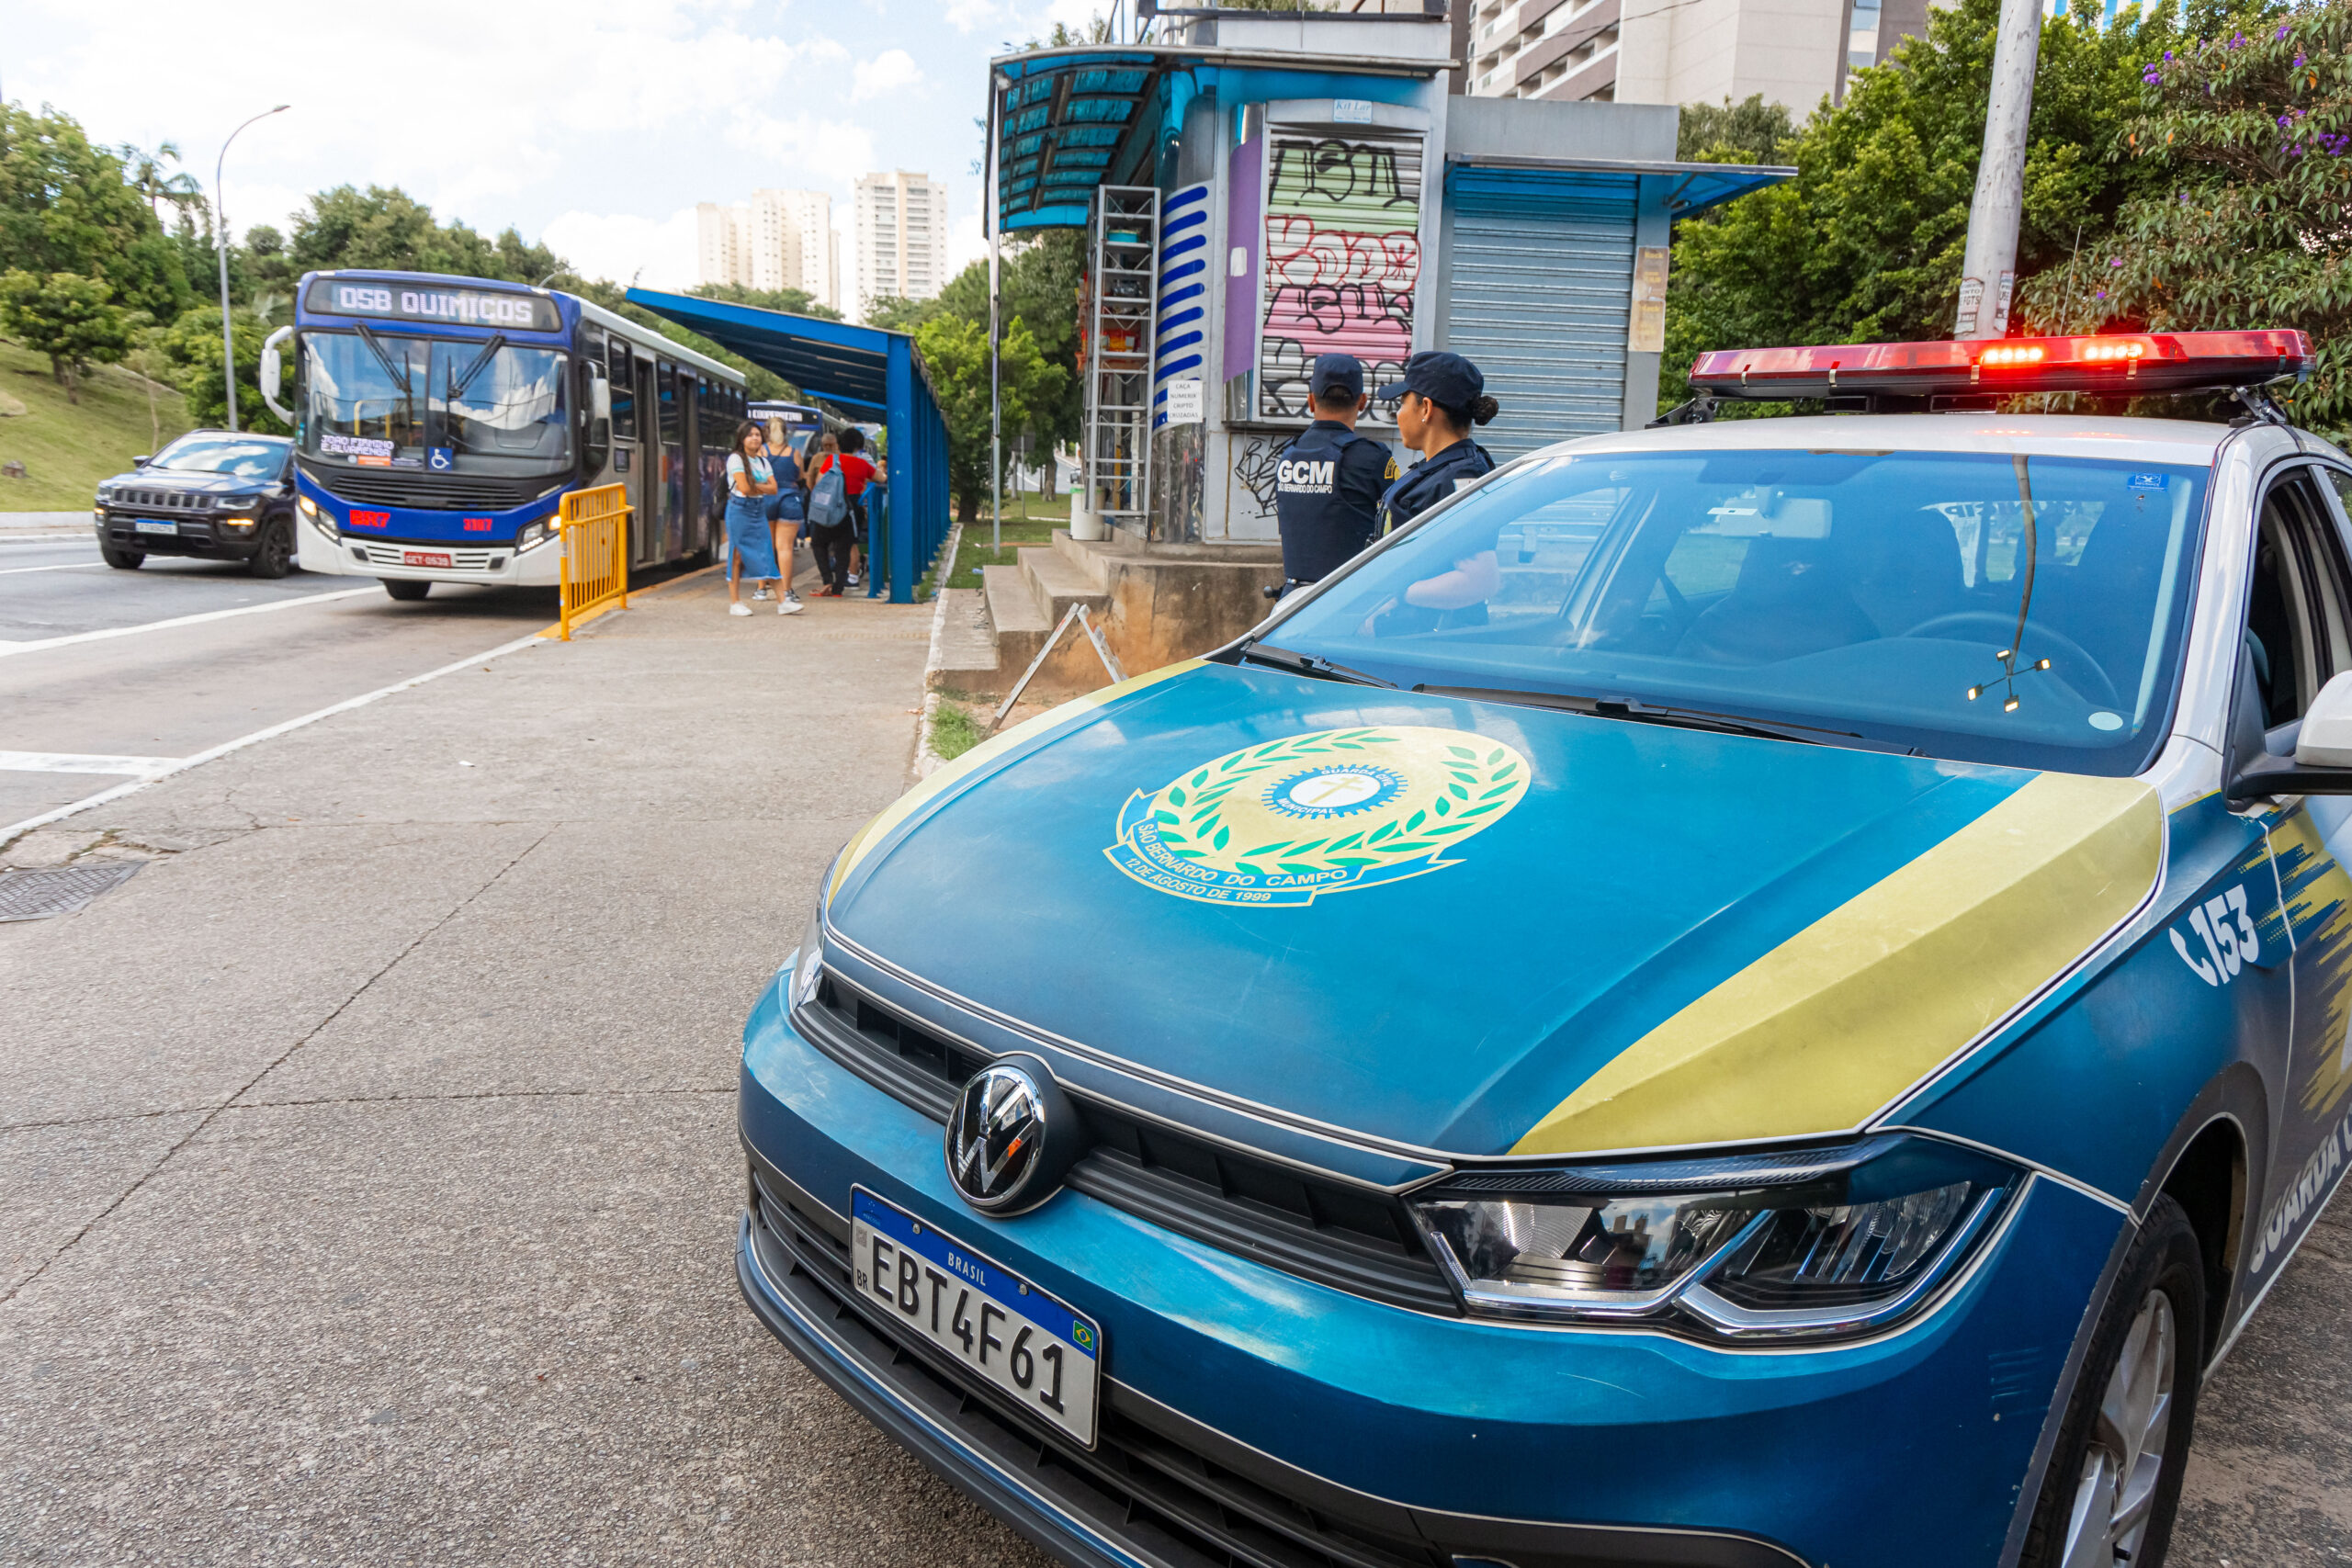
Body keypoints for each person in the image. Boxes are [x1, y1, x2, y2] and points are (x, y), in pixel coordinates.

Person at [1363, 352, 1503, 634]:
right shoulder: (1445, 469)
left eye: (1402, 403)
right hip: (1416, 637)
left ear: (1425, 408)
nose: (1398, 414)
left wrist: (1398, 593)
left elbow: (1480, 580)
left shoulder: (1461, 477)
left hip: (1427, 644)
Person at [1272, 354, 1395, 600]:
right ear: (1362, 402)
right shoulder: (1373, 458)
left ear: (1311, 401)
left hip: (1291, 604)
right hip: (1349, 604)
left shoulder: (1289, 457)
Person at [722, 421, 797, 616]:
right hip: (739, 510)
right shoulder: (736, 459)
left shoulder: (763, 461)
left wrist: (753, 483)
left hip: (758, 509)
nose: (755, 438)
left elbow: (773, 489)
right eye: (750, 435)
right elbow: (744, 489)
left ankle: (783, 602)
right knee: (737, 555)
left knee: (766, 552)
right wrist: (760, 483)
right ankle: (735, 602)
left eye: (757, 434)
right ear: (742, 439)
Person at [807, 428, 882, 596]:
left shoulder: (831, 461)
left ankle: (827, 580)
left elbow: (819, 481)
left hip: (829, 506)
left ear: (839, 445)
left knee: (818, 543)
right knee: (846, 547)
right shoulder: (862, 464)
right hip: (852, 509)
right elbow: (881, 478)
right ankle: (842, 586)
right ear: (858, 447)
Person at [762, 414, 805, 609]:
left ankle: (761, 589)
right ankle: (787, 591)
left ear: (767, 432)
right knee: (785, 548)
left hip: (766, 498)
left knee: (767, 546)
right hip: (789, 499)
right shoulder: (794, 452)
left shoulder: (762, 451)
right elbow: (801, 476)